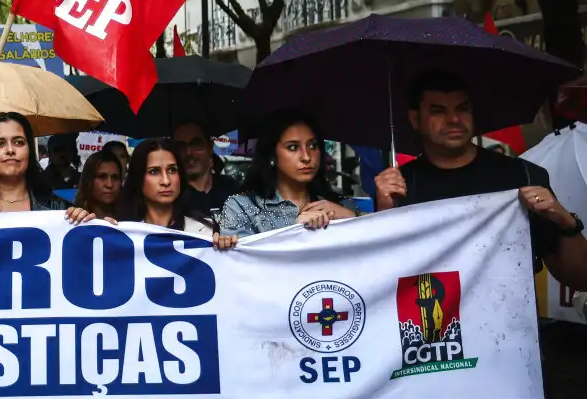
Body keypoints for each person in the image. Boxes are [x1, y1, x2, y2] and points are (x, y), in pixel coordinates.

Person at [374, 70, 587, 289]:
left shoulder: (524, 176)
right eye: (438, 111)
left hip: (511, 319)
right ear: (415, 119)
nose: (454, 119)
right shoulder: (399, 188)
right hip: (431, 316)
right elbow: (380, 282)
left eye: (462, 109)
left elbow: (580, 278)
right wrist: (382, 217)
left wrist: (566, 223)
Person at [217, 112, 357, 240]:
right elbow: (239, 262)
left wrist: (352, 218)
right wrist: (293, 231)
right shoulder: (241, 206)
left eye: (313, 146)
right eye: (293, 147)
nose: (306, 157)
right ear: (272, 155)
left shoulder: (338, 204)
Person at [119, 138, 232, 245]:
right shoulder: (122, 232)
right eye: (154, 171)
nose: (166, 181)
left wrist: (225, 248)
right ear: (138, 178)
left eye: (172, 170)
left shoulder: (205, 230)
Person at [173, 121, 238, 214]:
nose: (188, 152)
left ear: (210, 147)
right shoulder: (172, 197)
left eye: (196, 144)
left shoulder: (231, 189)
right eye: (181, 147)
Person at [73, 150, 122, 220]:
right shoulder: (74, 217)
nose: (109, 185)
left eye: (115, 177)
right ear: (88, 180)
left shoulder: (132, 220)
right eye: (102, 176)